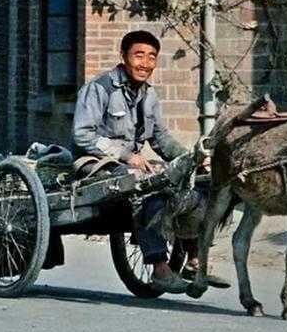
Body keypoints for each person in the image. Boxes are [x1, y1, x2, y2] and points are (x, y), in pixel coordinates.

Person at [72, 29, 227, 294]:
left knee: (195, 183)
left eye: (152, 57)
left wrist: (193, 159)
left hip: (131, 166)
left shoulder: (149, 95)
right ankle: (159, 268)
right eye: (138, 55)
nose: (145, 63)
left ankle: (194, 258)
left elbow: (160, 138)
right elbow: (82, 135)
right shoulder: (99, 88)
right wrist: (127, 155)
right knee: (144, 186)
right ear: (123, 56)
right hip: (94, 164)